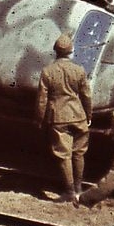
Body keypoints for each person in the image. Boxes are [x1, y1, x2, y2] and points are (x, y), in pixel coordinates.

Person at [36, 32, 92, 203]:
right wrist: (88, 115)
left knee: (63, 155)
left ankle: (69, 191)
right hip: (79, 116)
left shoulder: (47, 72)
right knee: (79, 153)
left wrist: (40, 119)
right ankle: (79, 188)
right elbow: (87, 96)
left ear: (56, 52)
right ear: (71, 52)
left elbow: (41, 100)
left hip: (58, 117)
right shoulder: (79, 70)